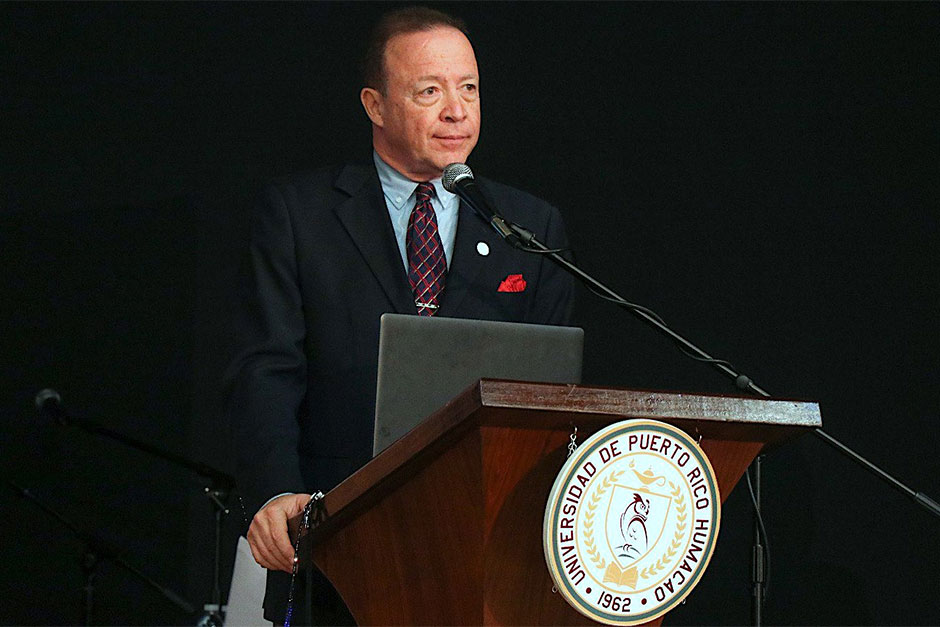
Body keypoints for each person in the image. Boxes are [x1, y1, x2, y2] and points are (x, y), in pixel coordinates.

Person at [227, 6, 575, 623]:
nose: (456, 111)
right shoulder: (299, 215)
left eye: (468, 88)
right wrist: (278, 493)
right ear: (375, 105)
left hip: (487, 551)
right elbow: (266, 370)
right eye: (430, 91)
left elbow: (549, 402)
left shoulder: (529, 227)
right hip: (339, 545)